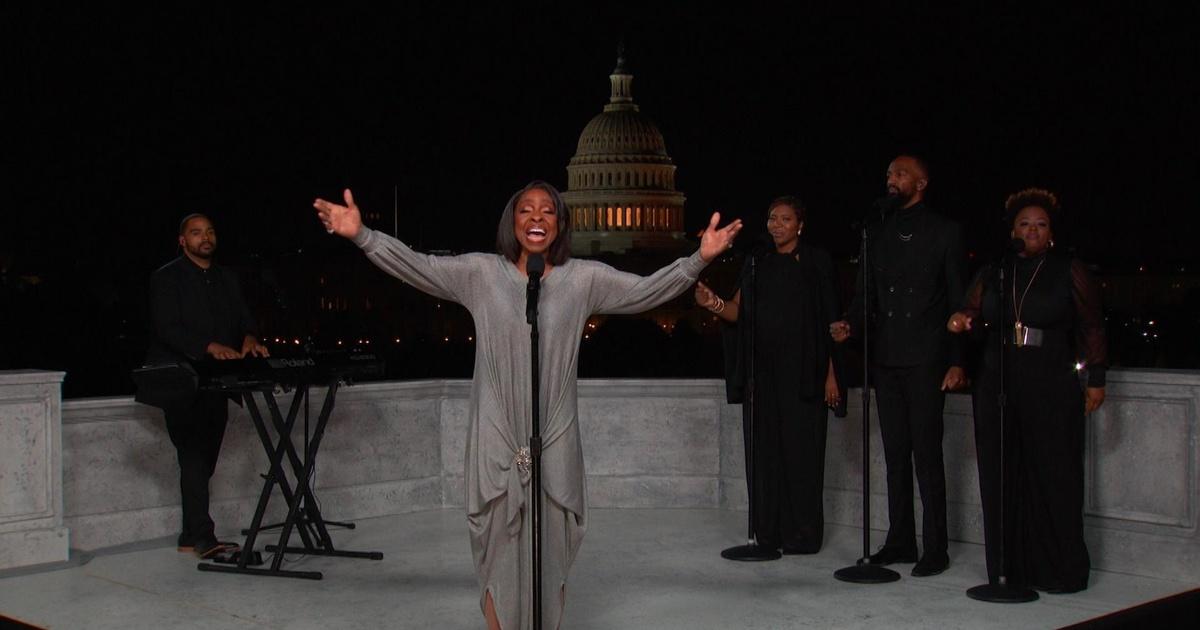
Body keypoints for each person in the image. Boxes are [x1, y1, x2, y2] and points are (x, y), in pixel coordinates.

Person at [314, 182, 741, 630]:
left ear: (560, 224)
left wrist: (700, 258)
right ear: (511, 221)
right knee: (496, 553)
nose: (537, 218)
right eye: (526, 210)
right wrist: (363, 235)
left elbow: (647, 291)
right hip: (497, 435)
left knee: (553, 553)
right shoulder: (480, 274)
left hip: (553, 435)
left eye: (548, 211)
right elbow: (418, 267)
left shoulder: (584, 278)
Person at [947, 188, 1105, 593]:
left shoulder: (1069, 268)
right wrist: (960, 321)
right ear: (1012, 230)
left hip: (1050, 376)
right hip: (998, 377)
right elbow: (970, 310)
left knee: (1054, 473)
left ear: (1051, 232)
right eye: (1024, 224)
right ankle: (1007, 568)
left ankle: (1059, 571)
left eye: (1040, 225)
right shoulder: (994, 271)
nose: (1032, 231)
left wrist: (1097, 379)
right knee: (1001, 473)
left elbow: (1091, 326)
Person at [829, 155, 967, 577]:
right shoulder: (876, 231)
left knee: (927, 455)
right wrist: (850, 325)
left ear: (921, 182)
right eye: (888, 173)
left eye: (900, 173)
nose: (891, 179)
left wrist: (958, 361)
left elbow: (960, 301)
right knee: (893, 456)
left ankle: (935, 548)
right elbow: (865, 295)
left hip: (926, 360)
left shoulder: (946, 232)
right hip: (885, 360)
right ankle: (900, 540)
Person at [694, 196, 842, 554]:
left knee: (801, 457)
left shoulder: (817, 263)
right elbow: (737, 313)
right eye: (772, 218)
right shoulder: (756, 263)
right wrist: (712, 302)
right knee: (766, 457)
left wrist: (831, 377)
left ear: (800, 225)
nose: (776, 225)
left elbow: (831, 322)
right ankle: (767, 534)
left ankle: (802, 536)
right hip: (764, 377)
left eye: (785, 219)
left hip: (805, 375)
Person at [145, 213, 269, 558]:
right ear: (182, 241)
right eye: (197, 232)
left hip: (218, 382)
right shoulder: (166, 278)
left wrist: (248, 340)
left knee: (205, 459)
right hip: (182, 382)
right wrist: (209, 347)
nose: (206, 237)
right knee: (195, 456)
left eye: (210, 231)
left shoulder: (226, 278)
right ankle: (203, 535)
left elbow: (245, 320)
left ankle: (190, 534)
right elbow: (167, 328)